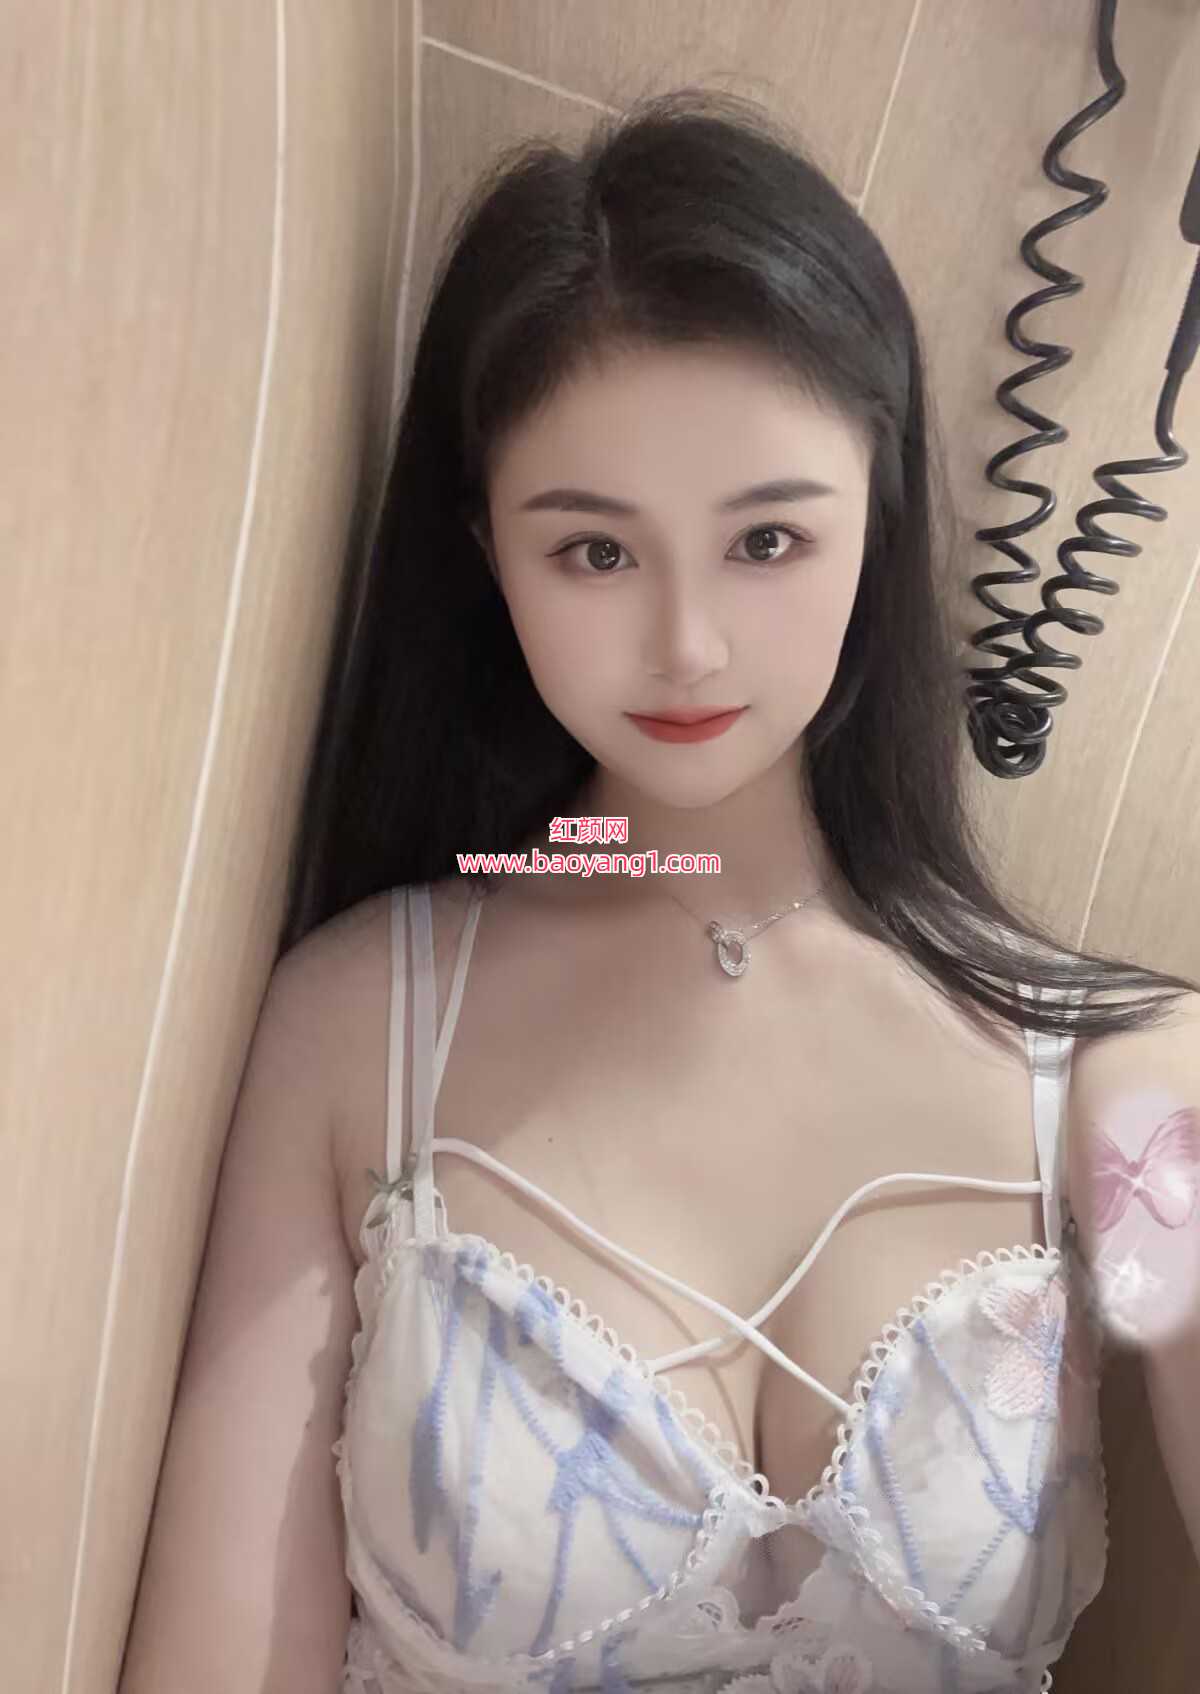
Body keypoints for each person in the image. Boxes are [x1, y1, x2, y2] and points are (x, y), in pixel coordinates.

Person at [119, 88, 1200, 1694]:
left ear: (878, 514)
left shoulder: (1123, 1083)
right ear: (489, 548)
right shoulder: (360, 1028)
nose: (686, 644)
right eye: (597, 553)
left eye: (766, 542)